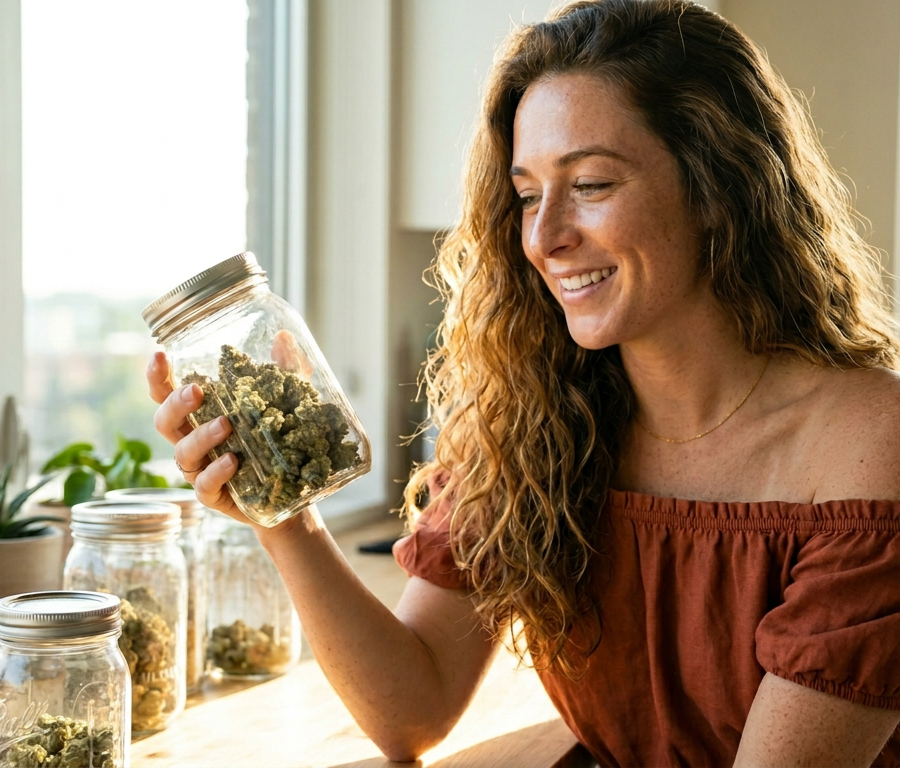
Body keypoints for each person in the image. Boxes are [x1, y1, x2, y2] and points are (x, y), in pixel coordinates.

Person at [147, 0, 900, 764]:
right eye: (529, 195)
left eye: (593, 184)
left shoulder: (870, 445)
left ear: (716, 187)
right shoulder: (535, 427)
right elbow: (412, 709)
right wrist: (281, 511)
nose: (545, 238)